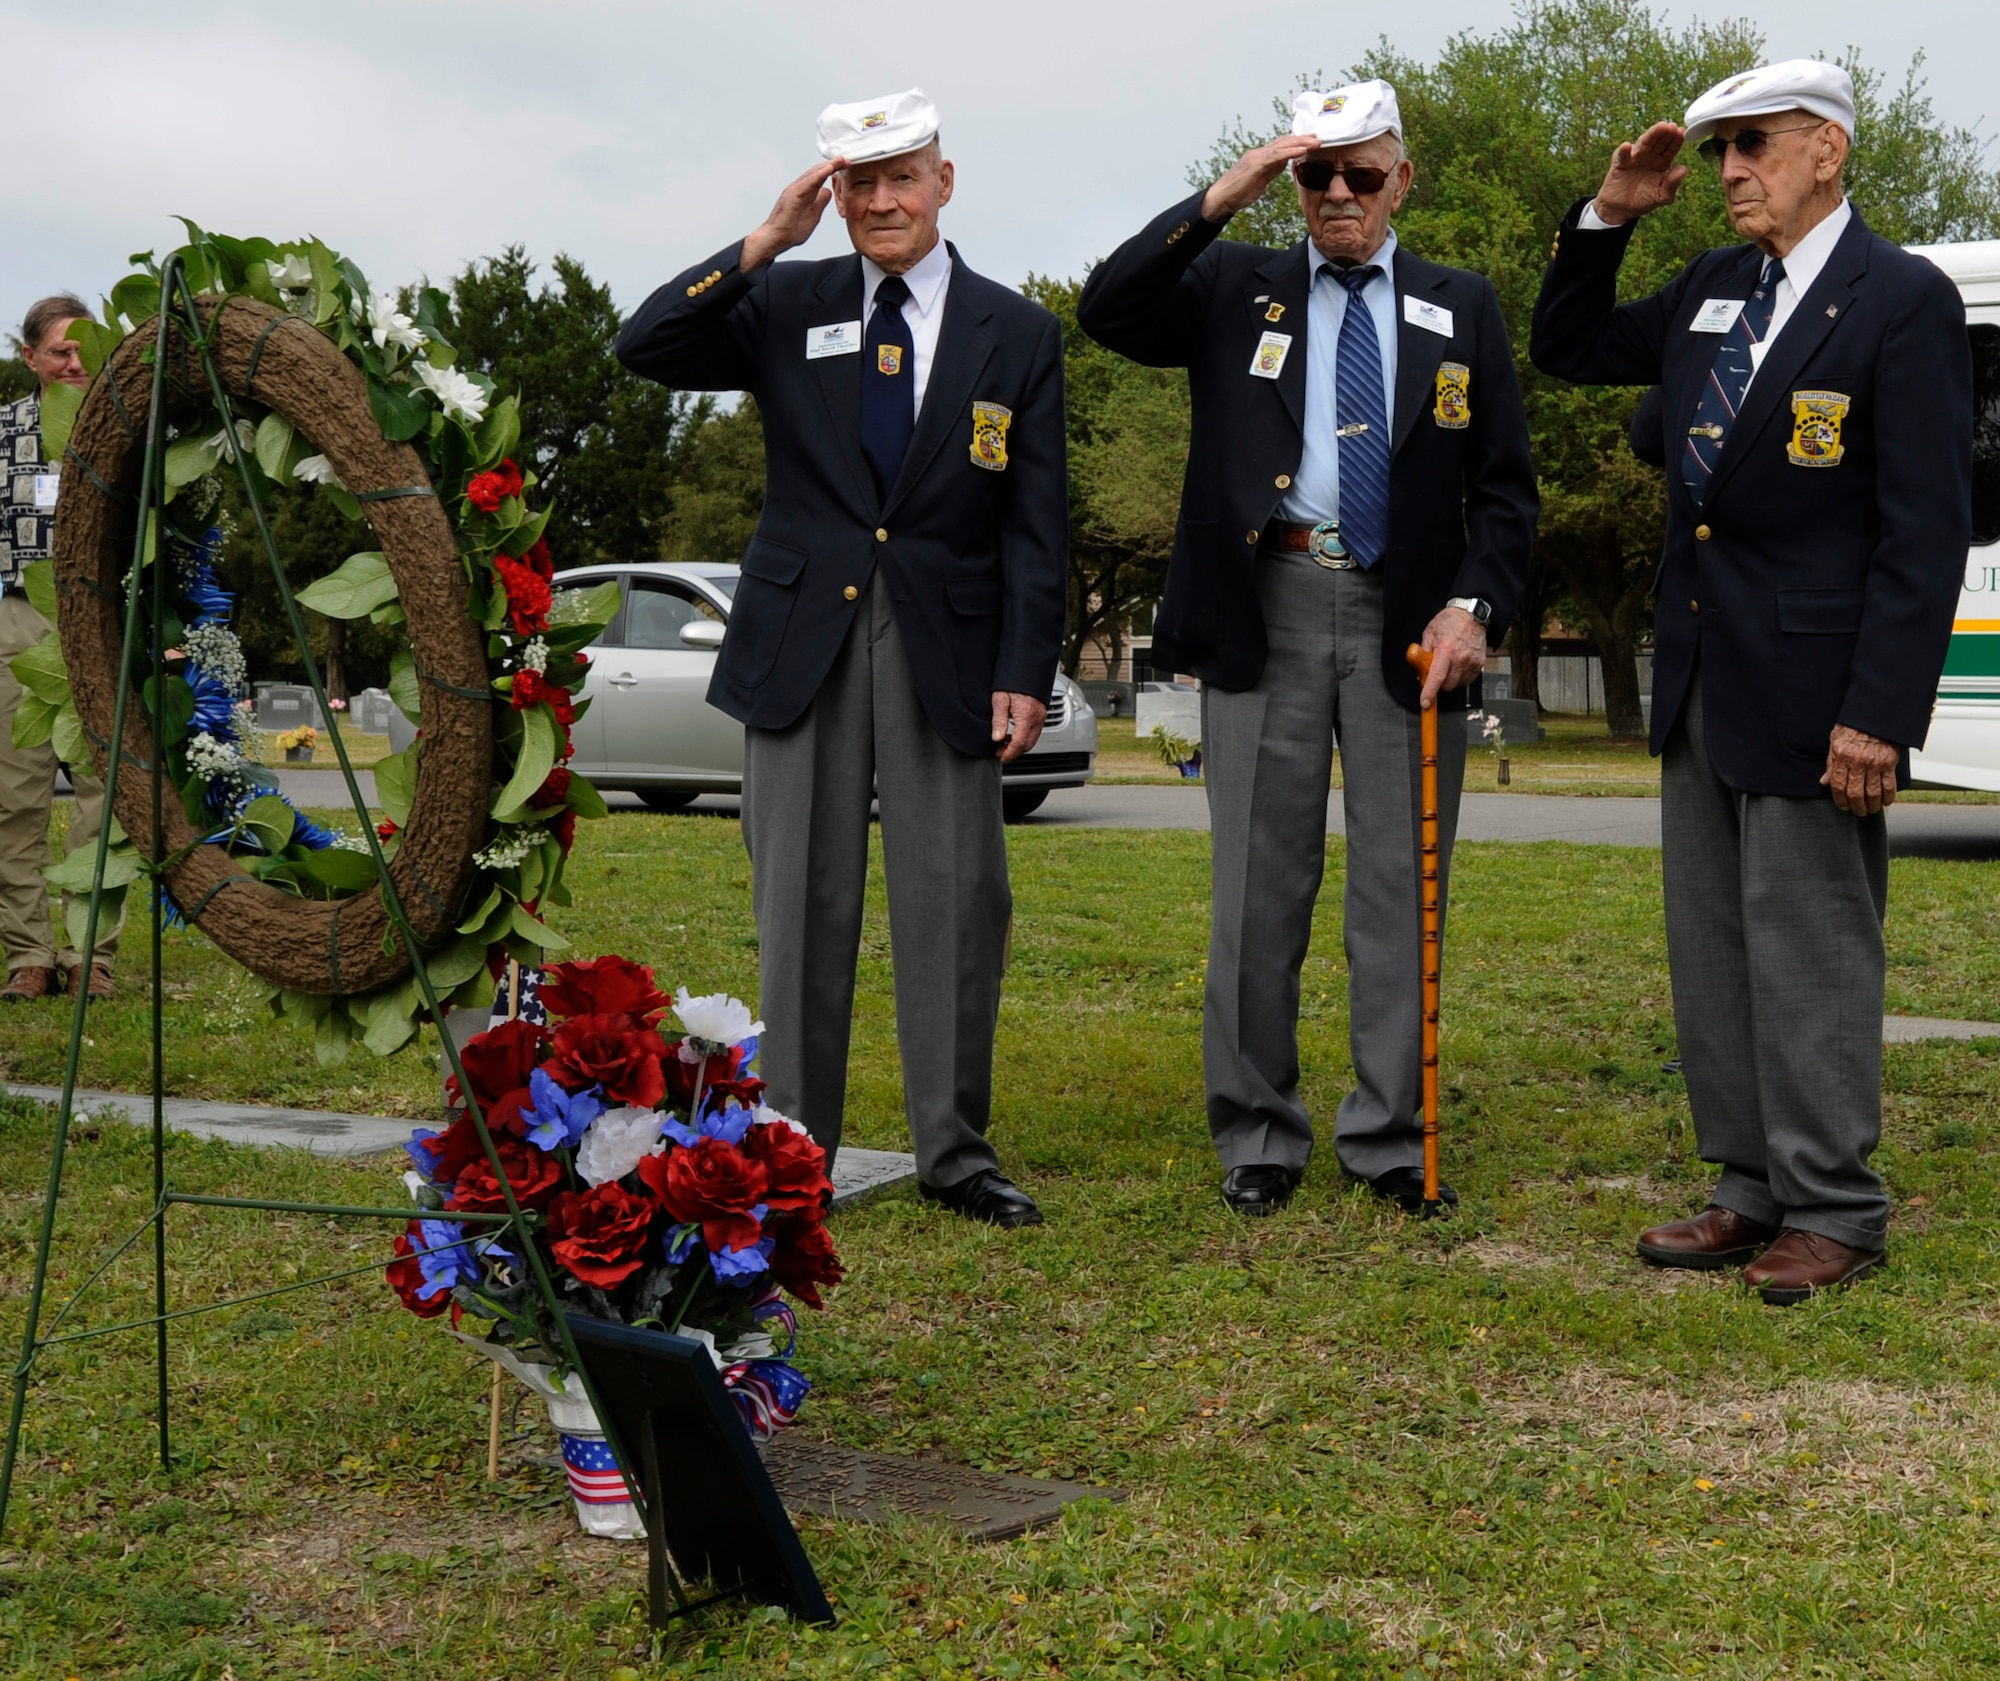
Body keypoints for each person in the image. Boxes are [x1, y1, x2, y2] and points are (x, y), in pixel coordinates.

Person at [1530, 61, 1972, 1303]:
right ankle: (1746, 1187)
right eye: (1718, 151)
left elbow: (1920, 529)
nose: (1729, 172)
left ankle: (1834, 1203)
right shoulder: (1714, 285)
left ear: (1825, 152)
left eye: (1754, 147)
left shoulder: (1900, 299)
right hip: (1702, 672)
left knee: (1811, 943)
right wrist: (1608, 216)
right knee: (1711, 941)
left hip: (1820, 687)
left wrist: (1879, 711)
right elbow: (1566, 346)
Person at [1078, 81, 1538, 1217]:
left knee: (1399, 884)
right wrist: (1218, 197)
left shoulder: (1458, 303)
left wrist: (1473, 608)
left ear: (1401, 181)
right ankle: (1257, 1131)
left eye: (1362, 173)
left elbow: (1507, 495)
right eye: (1315, 174)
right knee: (1256, 883)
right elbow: (1106, 307)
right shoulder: (1234, 284)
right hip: (1265, 602)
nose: (1338, 194)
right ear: (1291, 184)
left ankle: (1388, 1134)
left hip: (1409, 618)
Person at [617, 90, 1067, 1227]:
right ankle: (787, 1150)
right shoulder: (783, 297)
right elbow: (644, 344)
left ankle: (954, 1153)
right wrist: (763, 240)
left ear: (943, 182)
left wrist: (1025, 661)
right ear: (833, 192)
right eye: (856, 182)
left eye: (899, 176)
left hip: (947, 642)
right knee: (801, 901)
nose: (878, 201)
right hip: (801, 633)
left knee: (956, 901)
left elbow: (1034, 519)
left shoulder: (1014, 332)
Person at [1, 294, 121, 1004]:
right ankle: (28, 955)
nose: (75, 363)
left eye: (84, 351)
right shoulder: (4, 431)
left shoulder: (125, 428)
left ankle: (90, 955)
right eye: (59, 352)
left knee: (102, 799)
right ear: (29, 359)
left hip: (102, 619)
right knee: (16, 797)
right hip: (18, 619)